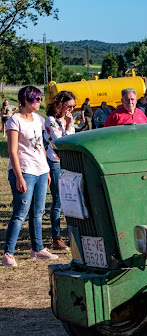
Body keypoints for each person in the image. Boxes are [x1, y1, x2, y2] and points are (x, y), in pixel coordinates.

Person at [3, 86, 58, 267]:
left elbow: (41, 145)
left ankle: (38, 249)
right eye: (36, 99)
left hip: (41, 170)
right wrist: (19, 177)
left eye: (40, 99)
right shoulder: (14, 120)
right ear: (26, 100)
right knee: (20, 213)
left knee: (38, 212)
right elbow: (12, 151)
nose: (39, 102)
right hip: (25, 171)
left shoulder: (39, 120)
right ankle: (8, 254)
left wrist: (47, 170)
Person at [43, 91, 76, 251]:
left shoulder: (67, 120)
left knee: (71, 200)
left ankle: (72, 235)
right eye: (69, 105)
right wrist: (69, 126)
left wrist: (70, 125)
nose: (71, 109)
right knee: (58, 201)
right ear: (60, 104)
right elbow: (61, 142)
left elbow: (74, 140)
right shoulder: (51, 121)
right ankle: (56, 237)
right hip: (56, 162)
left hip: (69, 162)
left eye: (73, 106)